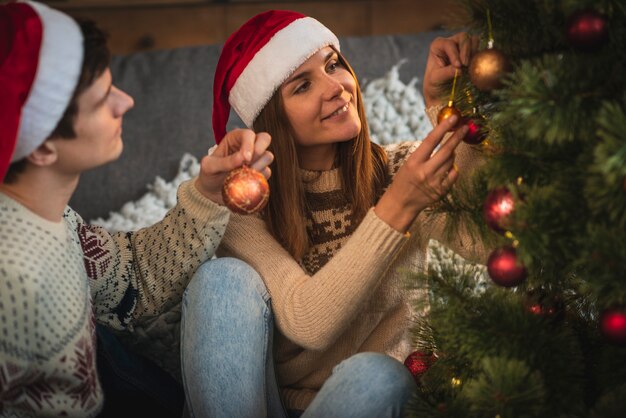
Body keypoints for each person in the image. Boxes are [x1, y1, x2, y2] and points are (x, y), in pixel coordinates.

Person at [186, 10, 483, 418]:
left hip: (370, 399)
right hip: (268, 404)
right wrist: (398, 207)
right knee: (219, 279)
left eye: (333, 65)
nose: (336, 88)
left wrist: (448, 108)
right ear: (273, 115)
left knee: (378, 374)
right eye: (303, 85)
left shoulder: (401, 171)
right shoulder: (247, 205)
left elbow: (487, 239)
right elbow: (309, 323)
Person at [0, 1, 273, 417]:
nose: (125, 101)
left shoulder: (51, 217)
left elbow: (130, 277)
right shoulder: (18, 283)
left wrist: (209, 193)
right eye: (102, 99)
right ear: (41, 147)